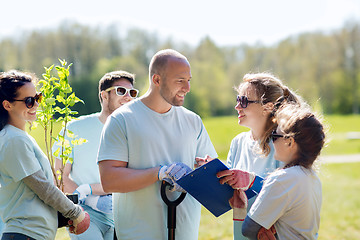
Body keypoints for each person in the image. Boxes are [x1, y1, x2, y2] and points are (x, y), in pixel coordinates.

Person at [97, 49, 217, 240]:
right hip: (137, 234)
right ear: (157, 80)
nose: (187, 87)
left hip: (185, 233)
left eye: (189, 80)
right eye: (180, 80)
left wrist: (205, 172)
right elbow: (109, 180)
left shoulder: (193, 121)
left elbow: (212, 174)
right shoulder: (122, 120)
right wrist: (159, 173)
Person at [197, 73, 302, 240]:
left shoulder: (284, 145)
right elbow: (231, 197)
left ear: (267, 107)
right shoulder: (237, 143)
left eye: (244, 101)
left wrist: (252, 180)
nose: (237, 107)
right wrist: (214, 174)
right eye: (238, 100)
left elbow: (290, 195)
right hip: (242, 233)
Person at [0, 70, 90, 240]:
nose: (35, 105)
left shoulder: (19, 137)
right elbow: (42, 187)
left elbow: (31, 194)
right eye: (28, 101)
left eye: (37, 98)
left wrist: (65, 215)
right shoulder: (13, 139)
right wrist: (75, 213)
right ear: (7, 105)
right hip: (26, 234)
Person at [52, 70, 138, 240]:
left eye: (132, 93)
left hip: (125, 216)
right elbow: (59, 176)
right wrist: (87, 200)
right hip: (85, 214)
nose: (128, 97)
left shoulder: (136, 134)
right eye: (121, 90)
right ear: (104, 96)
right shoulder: (73, 129)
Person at [242, 103, 325, 239]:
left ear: (290, 142)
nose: (271, 141)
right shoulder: (313, 177)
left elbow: (248, 229)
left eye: (275, 135)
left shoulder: (282, 179)